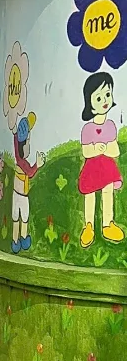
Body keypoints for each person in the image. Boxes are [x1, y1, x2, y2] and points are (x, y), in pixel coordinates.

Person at [79, 72, 123, 248]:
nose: (104, 99)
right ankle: (88, 226)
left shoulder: (111, 126)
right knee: (90, 195)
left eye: (107, 94)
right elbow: (86, 151)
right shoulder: (87, 129)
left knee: (108, 192)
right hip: (92, 167)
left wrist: (107, 148)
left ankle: (107, 224)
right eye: (98, 97)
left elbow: (115, 150)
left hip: (107, 167)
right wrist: (96, 149)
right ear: (90, 103)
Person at [11, 112, 45, 254]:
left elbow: (15, 140)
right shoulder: (23, 163)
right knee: (23, 219)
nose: (29, 146)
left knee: (16, 219)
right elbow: (30, 173)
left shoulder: (19, 158)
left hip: (16, 195)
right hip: (22, 196)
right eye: (28, 143)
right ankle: (22, 239)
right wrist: (38, 164)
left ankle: (16, 240)